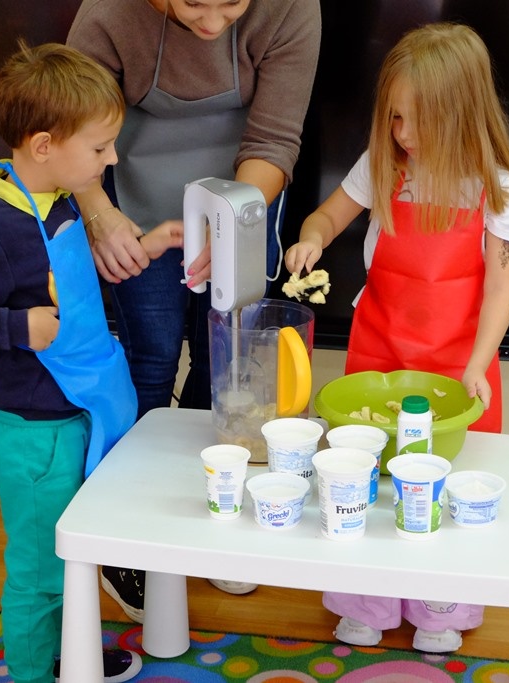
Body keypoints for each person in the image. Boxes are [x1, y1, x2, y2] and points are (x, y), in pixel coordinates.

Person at [0, 41, 179, 683]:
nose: (112, 159)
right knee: (39, 573)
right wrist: (16, 327)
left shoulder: (57, 199)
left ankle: (71, 656)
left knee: (74, 557)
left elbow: (66, 288)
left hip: (74, 415)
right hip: (34, 437)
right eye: (101, 147)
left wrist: (148, 246)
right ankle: (35, 672)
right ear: (43, 145)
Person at [67, 0, 321, 611]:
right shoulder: (108, 15)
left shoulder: (290, 9)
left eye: (230, 4)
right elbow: (69, 127)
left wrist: (227, 223)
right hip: (131, 206)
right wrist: (99, 215)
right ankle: (129, 538)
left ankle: (213, 522)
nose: (211, 25)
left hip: (243, 199)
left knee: (226, 369)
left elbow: (273, 140)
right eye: (192, 5)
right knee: (149, 364)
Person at [284, 22, 509, 653]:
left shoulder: (495, 187)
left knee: (443, 483)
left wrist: (478, 363)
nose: (404, 135)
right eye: (395, 117)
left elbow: (501, 289)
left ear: (462, 113)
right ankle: (364, 599)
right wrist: (311, 238)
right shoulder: (384, 166)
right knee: (369, 479)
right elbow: (328, 215)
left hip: (457, 368)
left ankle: (439, 604)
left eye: (420, 120)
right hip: (379, 355)